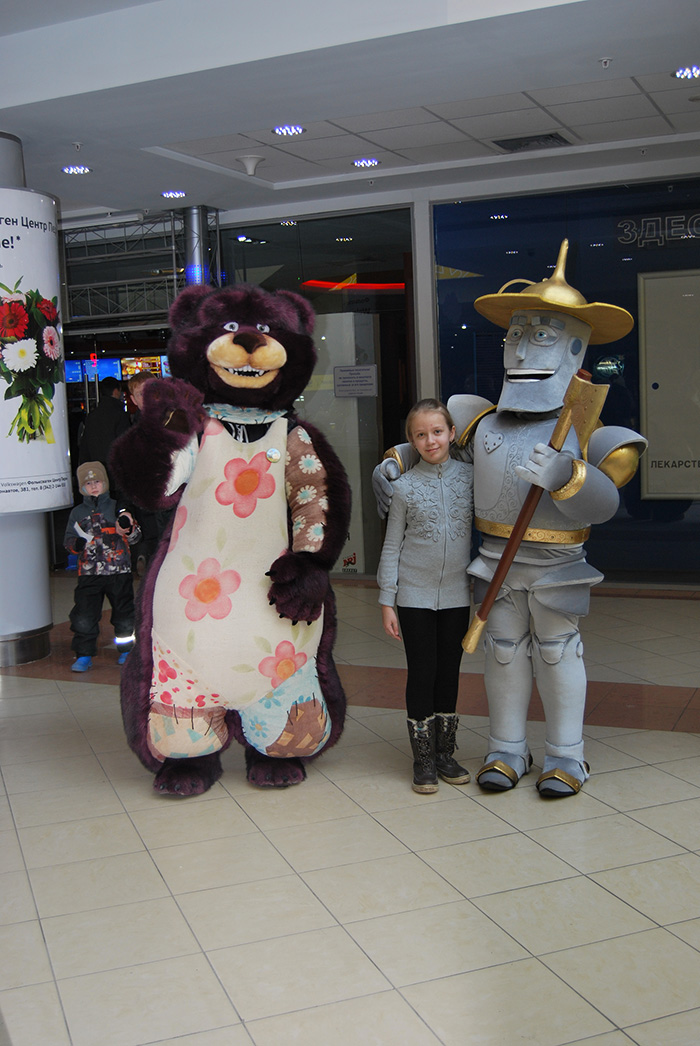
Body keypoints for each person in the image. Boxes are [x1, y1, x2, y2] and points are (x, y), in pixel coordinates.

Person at [374, 241, 647, 798]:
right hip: (494, 560)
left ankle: (566, 755)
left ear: (576, 346)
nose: (520, 348)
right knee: (502, 654)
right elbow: (437, 448)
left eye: (540, 335)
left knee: (557, 651)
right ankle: (506, 747)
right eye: (515, 334)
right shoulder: (479, 421)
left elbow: (604, 503)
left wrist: (569, 475)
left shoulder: (591, 433)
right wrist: (396, 460)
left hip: (557, 566)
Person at [377, 398, 473, 794]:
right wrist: (387, 600)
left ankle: (445, 752)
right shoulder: (403, 487)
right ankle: (424, 759)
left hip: (457, 596)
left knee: (449, 672)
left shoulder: (470, 478)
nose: (431, 440)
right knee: (422, 672)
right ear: (411, 441)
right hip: (413, 597)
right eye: (421, 435)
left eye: (437, 431)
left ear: (452, 433)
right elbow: (391, 546)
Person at [63, 461, 141, 672]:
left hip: (119, 571)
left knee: (124, 613)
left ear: (105, 482)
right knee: (84, 615)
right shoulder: (77, 513)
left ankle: (126, 649)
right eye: (88, 483)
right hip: (89, 573)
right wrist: (75, 545)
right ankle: (84, 654)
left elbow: (135, 537)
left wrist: (128, 529)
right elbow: (68, 539)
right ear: (82, 487)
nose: (94, 486)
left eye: (97, 481)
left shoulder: (118, 507)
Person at [78, 376, 130, 497]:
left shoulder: (92, 416)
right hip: (117, 474)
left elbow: (84, 447)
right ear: (116, 391)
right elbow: (126, 445)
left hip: (97, 475)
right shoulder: (120, 415)